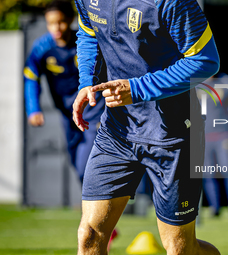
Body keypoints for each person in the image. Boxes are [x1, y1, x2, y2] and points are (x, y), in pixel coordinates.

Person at [73, 0, 220, 254]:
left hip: (172, 134)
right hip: (117, 131)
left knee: (179, 248)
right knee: (89, 235)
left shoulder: (171, 2)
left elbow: (205, 60)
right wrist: (87, 79)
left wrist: (138, 88)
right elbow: (88, 29)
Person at [23, 0, 118, 250]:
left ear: (70, 20)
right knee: (78, 166)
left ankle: (102, 223)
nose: (57, 27)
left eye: (62, 22)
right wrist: (33, 109)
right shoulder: (42, 48)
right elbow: (30, 77)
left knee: (89, 164)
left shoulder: (85, 42)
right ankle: (103, 220)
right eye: (51, 23)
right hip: (69, 117)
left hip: (94, 114)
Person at [200, 73, 228, 217]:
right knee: (208, 174)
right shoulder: (198, 84)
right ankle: (214, 207)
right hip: (205, 136)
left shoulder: (225, 82)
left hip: (223, 135)